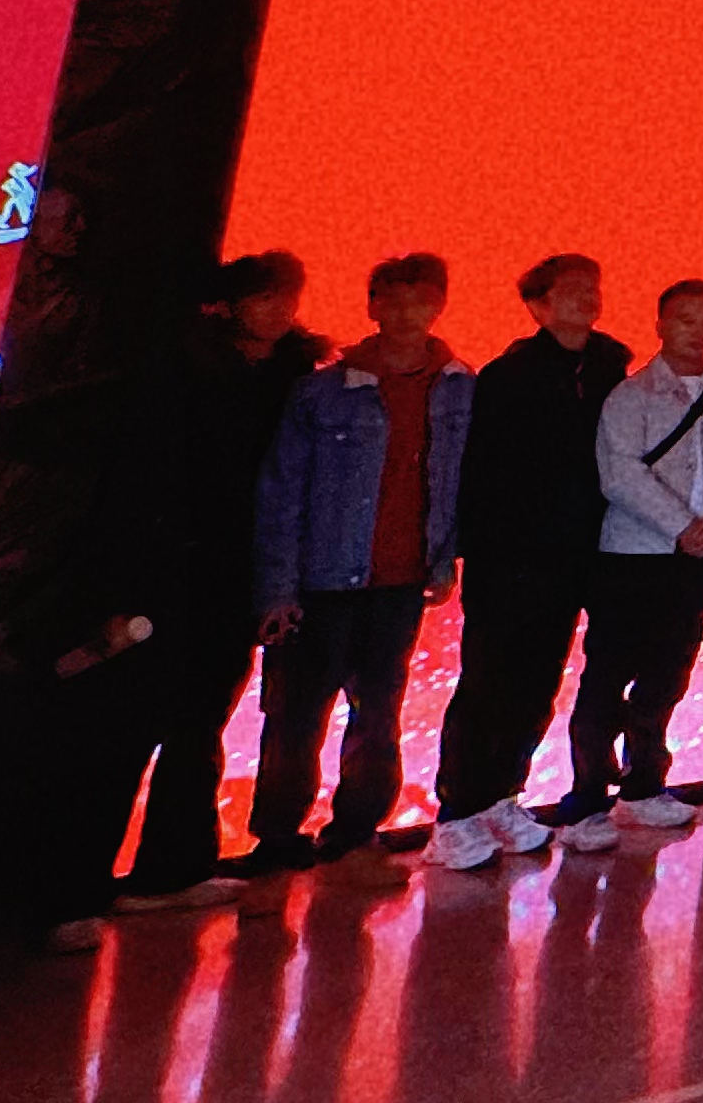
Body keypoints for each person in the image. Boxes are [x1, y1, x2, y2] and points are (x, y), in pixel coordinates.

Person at [108, 255, 328, 904]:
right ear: (231, 305)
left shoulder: (296, 376)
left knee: (201, 719)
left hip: (244, 569)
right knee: (146, 721)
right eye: (264, 297)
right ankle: (95, 877)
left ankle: (177, 865)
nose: (278, 310)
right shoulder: (189, 371)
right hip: (178, 566)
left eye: (287, 297)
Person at [248, 254, 471, 868]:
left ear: (438, 306)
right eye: (391, 299)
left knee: (379, 712)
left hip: (400, 580)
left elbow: (460, 482)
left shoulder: (460, 387)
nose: (406, 313)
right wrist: (278, 587)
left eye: (419, 300)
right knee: (296, 714)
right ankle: (277, 836)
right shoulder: (321, 392)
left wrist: (443, 559)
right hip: (321, 580)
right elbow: (282, 491)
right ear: (372, 306)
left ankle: (357, 826)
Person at [427, 253, 629, 866]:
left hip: (577, 555)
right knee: (488, 681)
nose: (586, 298)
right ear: (538, 306)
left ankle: (502, 797)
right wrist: (476, 552)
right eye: (570, 290)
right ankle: (455, 814)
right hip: (510, 560)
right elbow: (481, 473)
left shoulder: (611, 368)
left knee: (539, 683)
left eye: (592, 287)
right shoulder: (507, 377)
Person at [556, 277, 703, 851]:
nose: (698, 330)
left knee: (669, 671)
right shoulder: (630, 396)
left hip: (695, 557)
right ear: (660, 324)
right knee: (608, 674)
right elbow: (619, 474)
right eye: (686, 318)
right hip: (631, 555)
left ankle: (643, 785)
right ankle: (588, 796)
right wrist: (684, 525)